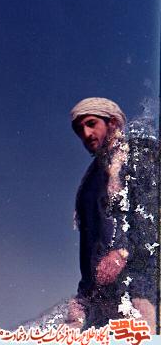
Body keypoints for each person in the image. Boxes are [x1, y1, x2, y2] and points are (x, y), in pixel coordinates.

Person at [67, 97, 157, 329]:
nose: (86, 134)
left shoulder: (139, 154)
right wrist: (84, 295)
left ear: (113, 122)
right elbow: (89, 243)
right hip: (101, 299)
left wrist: (122, 252)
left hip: (141, 288)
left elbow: (149, 213)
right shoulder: (89, 182)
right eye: (79, 129)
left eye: (91, 124)